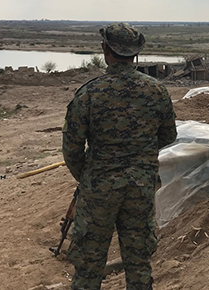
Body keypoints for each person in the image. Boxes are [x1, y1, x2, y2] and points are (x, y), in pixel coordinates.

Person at [63, 23, 177, 290]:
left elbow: (72, 148)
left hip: (99, 189)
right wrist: (140, 158)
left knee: (89, 266)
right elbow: (169, 136)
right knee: (138, 262)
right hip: (140, 187)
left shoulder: (90, 93)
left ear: (105, 49)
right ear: (135, 53)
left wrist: (90, 176)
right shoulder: (156, 91)